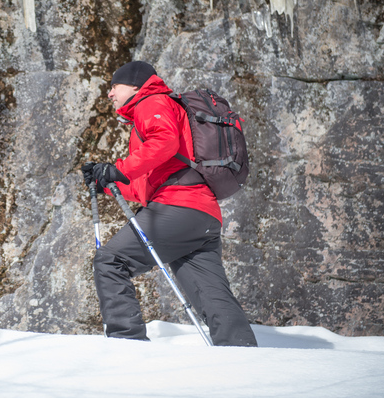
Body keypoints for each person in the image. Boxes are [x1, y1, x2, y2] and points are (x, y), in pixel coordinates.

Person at [82, 61, 257, 347]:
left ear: (135, 85)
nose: (110, 94)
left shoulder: (151, 101)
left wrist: (118, 168)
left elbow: (164, 143)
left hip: (178, 206)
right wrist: (108, 184)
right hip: (200, 215)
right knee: (211, 293)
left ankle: (127, 345)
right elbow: (148, 184)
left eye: (114, 86)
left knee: (110, 259)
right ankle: (244, 357)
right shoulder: (161, 107)